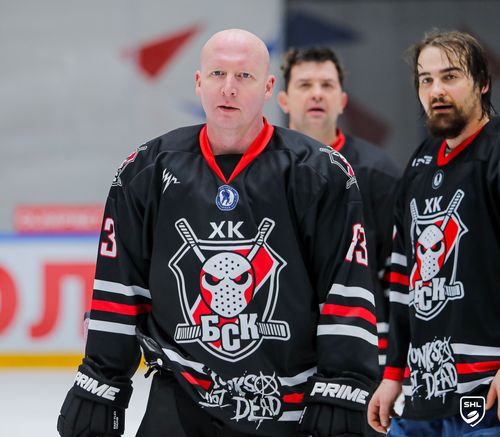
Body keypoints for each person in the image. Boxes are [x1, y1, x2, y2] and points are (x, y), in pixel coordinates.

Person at [57, 29, 379, 437]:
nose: (229, 88)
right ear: (198, 82)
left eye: (244, 76)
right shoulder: (146, 170)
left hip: (286, 404)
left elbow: (345, 289)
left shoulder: (320, 173)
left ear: (268, 88)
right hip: (182, 396)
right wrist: (101, 382)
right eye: (217, 74)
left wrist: (342, 385)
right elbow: (120, 286)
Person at [367, 30, 500, 436]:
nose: (436, 90)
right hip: (424, 388)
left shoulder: (495, 153)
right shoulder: (419, 164)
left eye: (450, 76)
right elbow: (402, 278)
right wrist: (393, 373)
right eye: (426, 80)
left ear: (482, 83)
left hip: (487, 391)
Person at [277, 47, 401, 376]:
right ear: (283, 100)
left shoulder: (379, 173)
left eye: (327, 85)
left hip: (360, 353)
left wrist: (394, 364)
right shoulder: (261, 170)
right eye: (305, 85)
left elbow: (399, 273)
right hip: (280, 353)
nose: (317, 93)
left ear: (342, 100)